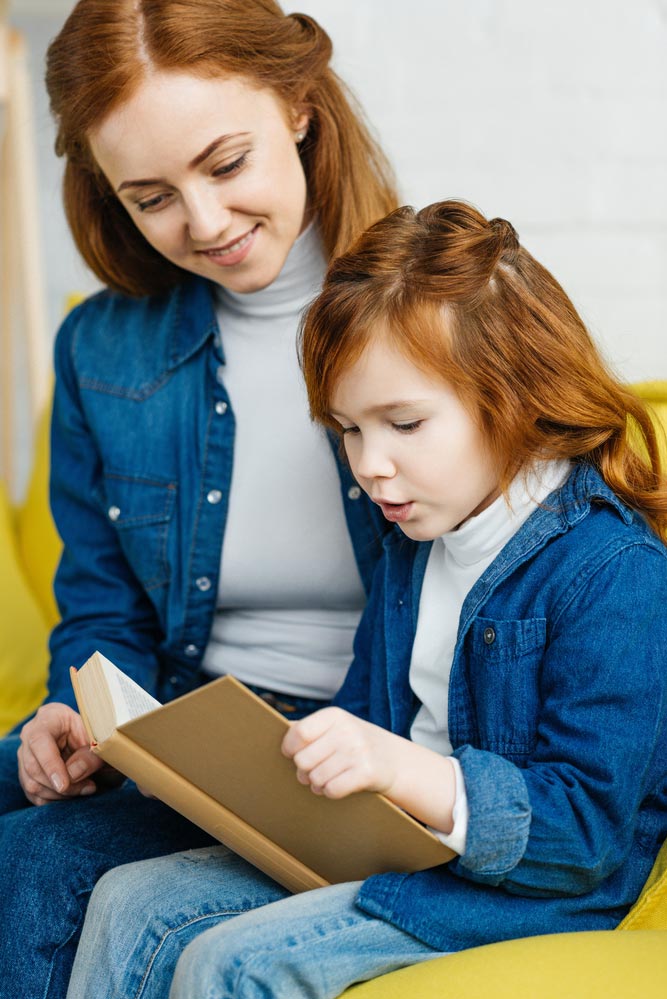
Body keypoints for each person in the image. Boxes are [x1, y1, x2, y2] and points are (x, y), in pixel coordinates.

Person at [64, 199, 667, 999]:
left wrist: (400, 769)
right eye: (348, 429)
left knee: (236, 962)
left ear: (515, 392)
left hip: (524, 887)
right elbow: (364, 716)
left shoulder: (612, 570)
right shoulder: (411, 547)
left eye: (404, 423)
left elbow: (582, 831)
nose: (370, 465)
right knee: (128, 895)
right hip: (394, 850)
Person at [0, 1, 399, 994]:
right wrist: (69, 707)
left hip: (350, 745)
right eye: (151, 197)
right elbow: (102, 609)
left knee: (42, 862)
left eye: (225, 165)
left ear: (300, 105)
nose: (206, 223)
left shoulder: (436, 319)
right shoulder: (103, 348)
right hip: (173, 725)